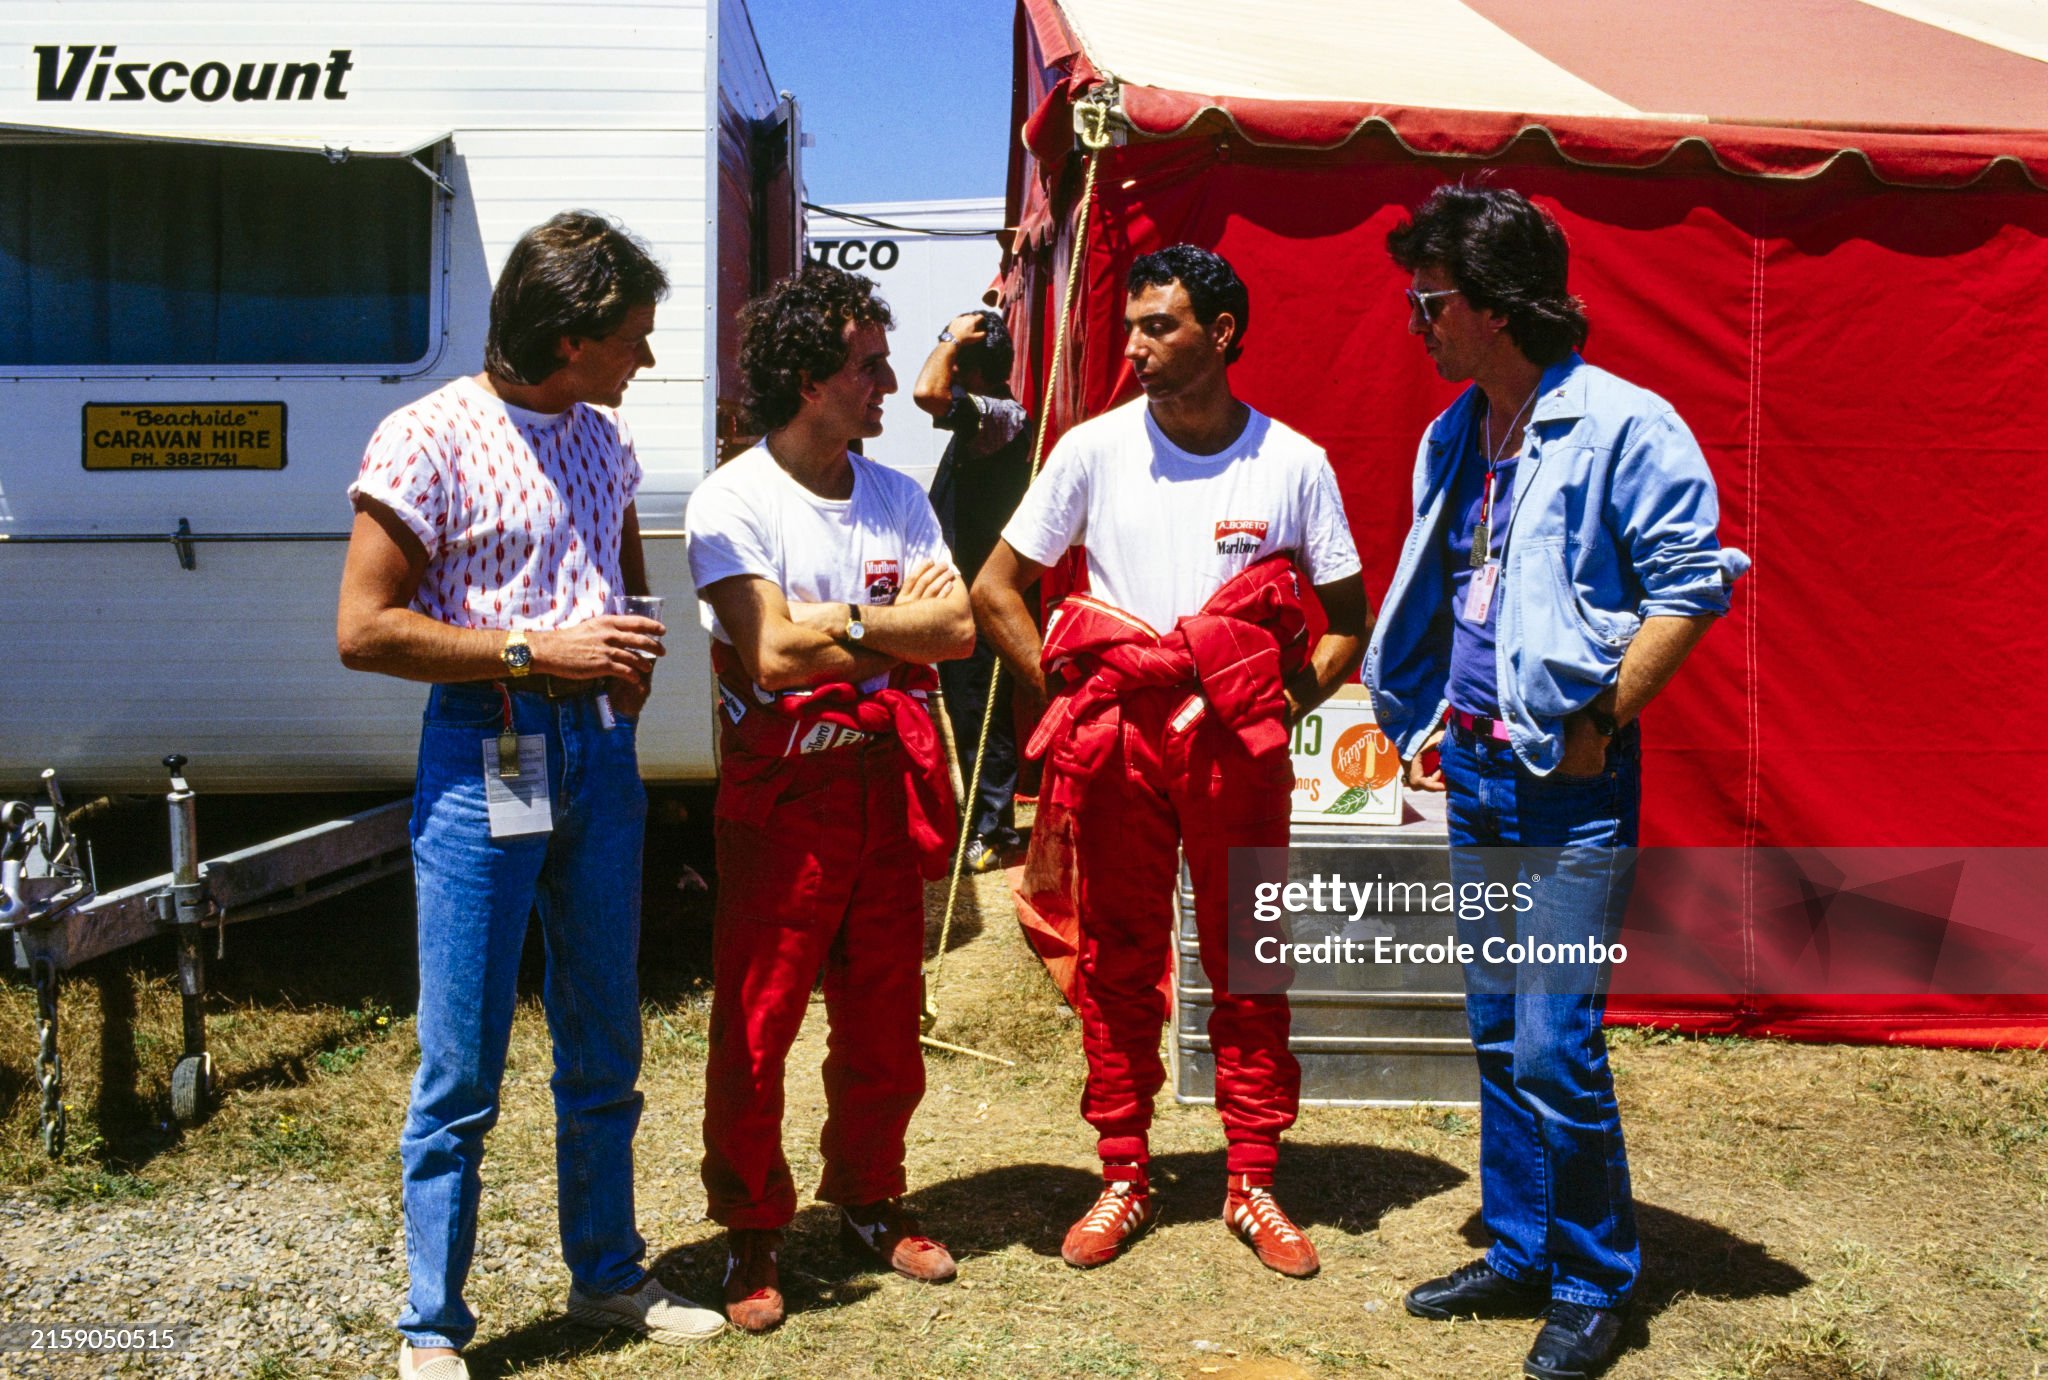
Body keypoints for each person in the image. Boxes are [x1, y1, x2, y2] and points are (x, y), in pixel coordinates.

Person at [1367, 185, 1748, 1380]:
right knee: (1492, 1030)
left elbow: (1693, 580)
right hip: (1477, 770)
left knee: (1552, 1047)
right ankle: (1524, 1244)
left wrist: (1602, 712)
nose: (1414, 323)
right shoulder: (1452, 431)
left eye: (1428, 301)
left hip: (1569, 786)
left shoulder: (1628, 426)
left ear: (1491, 305)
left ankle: (1593, 1279)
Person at [336, 211, 725, 1380]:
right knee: (461, 1062)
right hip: (486, 750)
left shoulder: (602, 441)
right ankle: (430, 1329)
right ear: (567, 335)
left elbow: (624, 583)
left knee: (604, 1031)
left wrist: (625, 674)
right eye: (632, 340)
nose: (645, 361)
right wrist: (530, 656)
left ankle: (605, 1273)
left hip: (597, 759)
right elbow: (364, 629)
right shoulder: (427, 437)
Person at [973, 244, 1369, 1279]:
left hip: (1234, 753)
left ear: (1223, 333)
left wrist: (1278, 699)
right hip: (1119, 746)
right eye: (1136, 325)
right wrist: (1066, 688)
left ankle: (1250, 1177)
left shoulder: (1292, 462)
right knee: (1116, 957)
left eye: (1161, 327)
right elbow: (994, 589)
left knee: (1249, 953)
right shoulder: (1091, 450)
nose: (1137, 346)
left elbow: (1344, 626)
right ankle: (1122, 1170)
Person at [686, 262, 977, 1333]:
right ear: (808, 377)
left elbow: (952, 632)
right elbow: (766, 653)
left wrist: (840, 624)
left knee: (883, 1017)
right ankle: (753, 1224)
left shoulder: (895, 494)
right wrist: (876, 625)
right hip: (782, 796)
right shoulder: (733, 498)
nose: (890, 384)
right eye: (866, 366)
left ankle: (867, 1193)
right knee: (756, 1023)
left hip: (882, 783)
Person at [912, 307, 1034, 872]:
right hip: (968, 588)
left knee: (982, 705)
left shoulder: (999, 414)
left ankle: (993, 829)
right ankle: (984, 824)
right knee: (969, 705)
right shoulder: (992, 413)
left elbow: (926, 394)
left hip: (986, 589)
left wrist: (949, 337)